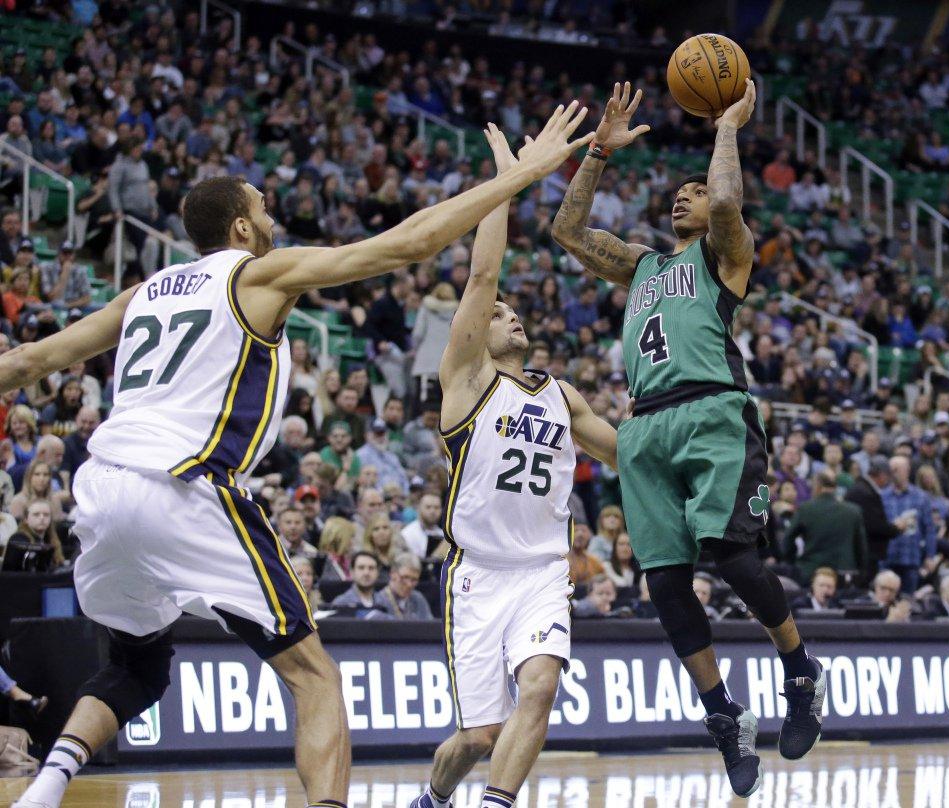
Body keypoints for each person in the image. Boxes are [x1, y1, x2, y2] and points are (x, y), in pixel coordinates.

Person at [6, 105, 591, 808]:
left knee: (138, 664)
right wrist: (523, 175)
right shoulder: (257, 274)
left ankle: (49, 783)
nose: (273, 215)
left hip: (98, 493)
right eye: (263, 207)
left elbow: (33, 359)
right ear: (243, 228)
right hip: (183, 485)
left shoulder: (142, 294)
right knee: (316, 680)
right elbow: (406, 245)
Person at [553, 80, 823, 797]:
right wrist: (598, 156)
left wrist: (728, 126)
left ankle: (799, 670)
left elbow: (730, 205)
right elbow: (568, 234)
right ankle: (723, 716)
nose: (684, 197)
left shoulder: (724, 256)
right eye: (677, 191)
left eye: (693, 191)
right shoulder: (642, 262)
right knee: (665, 582)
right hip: (644, 424)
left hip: (711, 414)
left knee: (732, 554)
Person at [412, 121, 617, 808]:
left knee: (542, 686)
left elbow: (628, 452)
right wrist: (509, 181)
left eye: (512, 312)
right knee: (475, 739)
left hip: (540, 571)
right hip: (476, 575)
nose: (508, 315)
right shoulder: (467, 382)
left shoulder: (561, 394)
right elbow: (482, 272)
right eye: (496, 315)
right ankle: (434, 799)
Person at [783, 470, 867, 582]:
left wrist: (791, 561)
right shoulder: (853, 511)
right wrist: (861, 572)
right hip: (844, 573)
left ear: (817, 486)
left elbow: (788, 538)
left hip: (812, 571)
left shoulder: (806, 509)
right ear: (835, 488)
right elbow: (861, 547)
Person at [881, 456, 936, 594]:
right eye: (891, 470)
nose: (893, 473)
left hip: (910, 557)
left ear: (907, 471)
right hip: (887, 556)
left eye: (897, 470)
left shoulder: (921, 497)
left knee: (908, 601)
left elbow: (929, 529)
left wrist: (930, 556)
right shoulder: (881, 496)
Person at [844, 456, 903, 580]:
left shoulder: (862, 489)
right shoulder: (864, 492)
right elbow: (872, 525)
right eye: (888, 477)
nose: (888, 481)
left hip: (864, 553)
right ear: (881, 475)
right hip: (865, 554)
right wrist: (896, 528)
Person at [330, 551, 389, 619]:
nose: (366, 573)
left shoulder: (386, 602)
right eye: (361, 567)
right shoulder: (340, 604)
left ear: (378, 573)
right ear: (352, 572)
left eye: (371, 568)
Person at [374, 553, 433, 619]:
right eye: (405, 577)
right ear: (392, 574)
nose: (409, 584)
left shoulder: (418, 599)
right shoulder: (378, 601)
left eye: (414, 580)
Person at [400, 493, 446, 561]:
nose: (432, 511)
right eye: (428, 507)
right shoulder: (407, 533)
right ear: (419, 508)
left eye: (436, 507)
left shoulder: (443, 534)